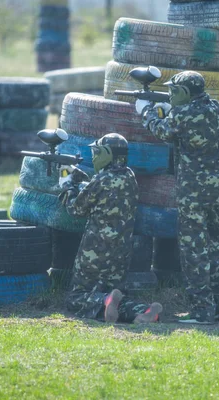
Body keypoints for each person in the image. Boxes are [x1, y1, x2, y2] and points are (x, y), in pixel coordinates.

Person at [137, 71, 219, 324]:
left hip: (194, 190)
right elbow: (189, 120)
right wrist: (168, 107)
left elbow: (161, 131)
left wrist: (146, 111)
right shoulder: (216, 107)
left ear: (184, 92)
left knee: (194, 249)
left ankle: (202, 311)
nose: (170, 93)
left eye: (173, 91)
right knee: (217, 243)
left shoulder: (183, 114)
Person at [59, 132, 162, 324]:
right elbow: (103, 194)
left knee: (76, 298)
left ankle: (105, 299)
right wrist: (80, 179)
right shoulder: (129, 176)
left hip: (95, 250)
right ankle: (144, 311)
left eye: (98, 152)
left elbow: (75, 208)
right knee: (116, 295)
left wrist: (67, 186)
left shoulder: (101, 179)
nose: (95, 156)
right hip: (121, 252)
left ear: (107, 154)